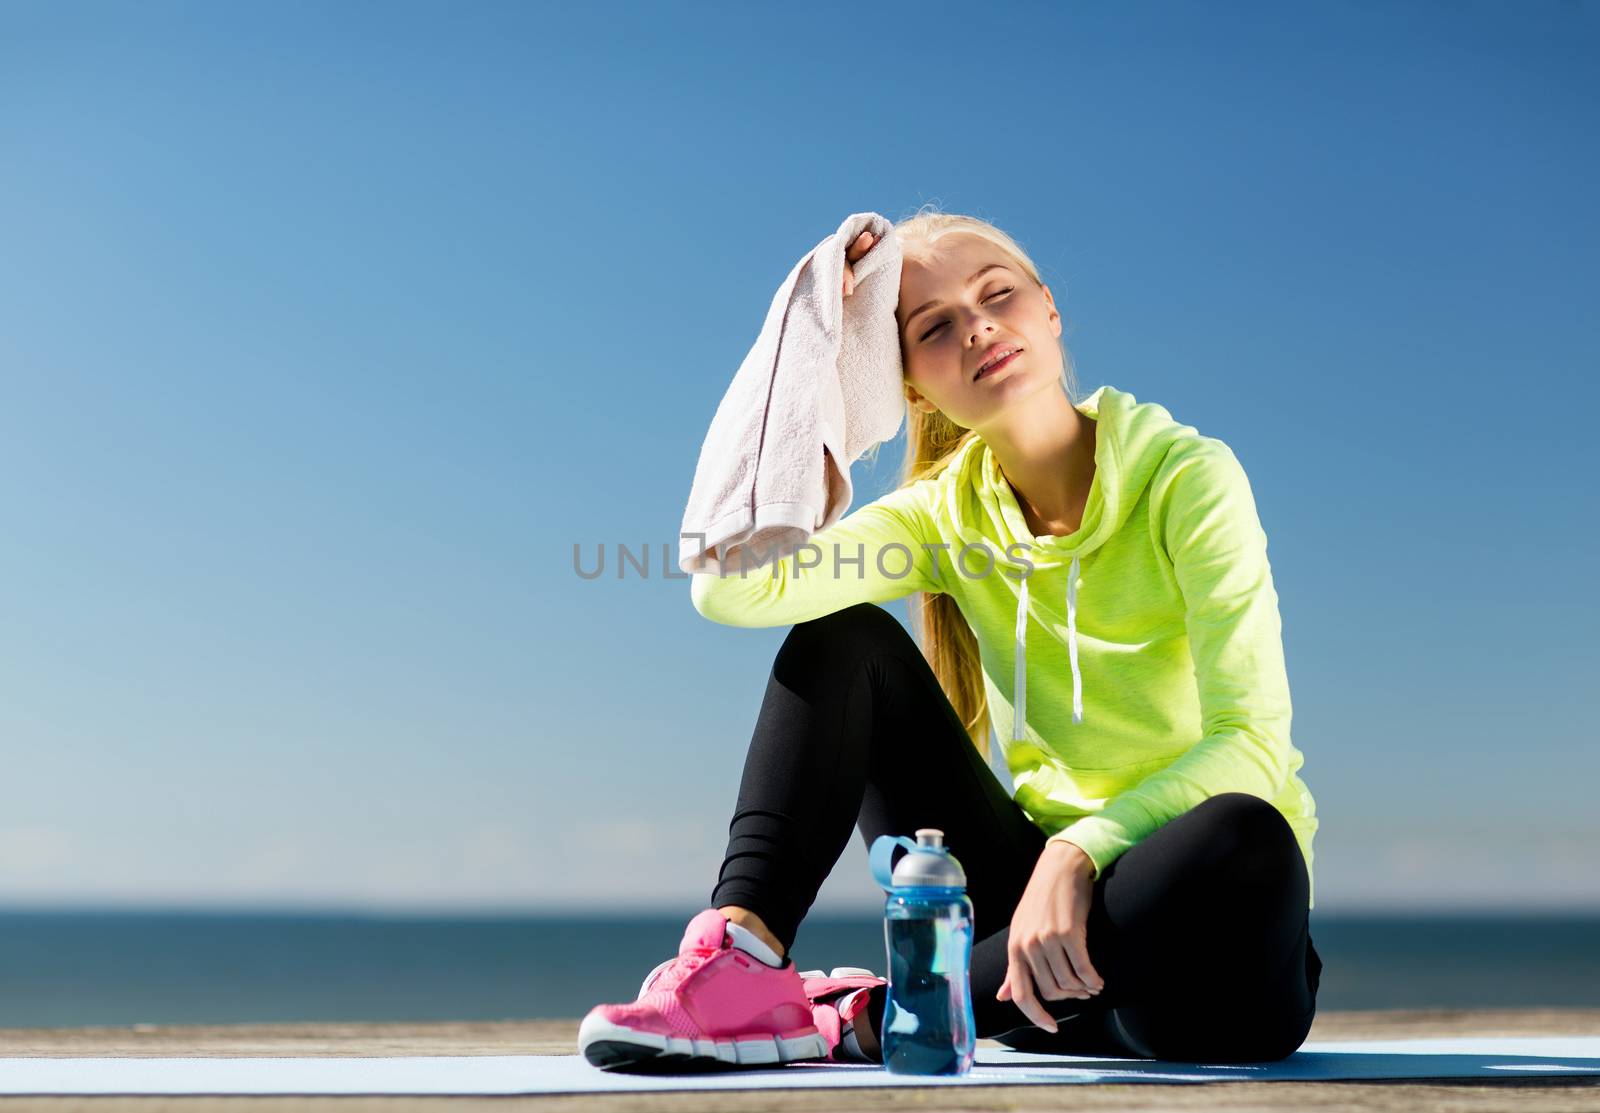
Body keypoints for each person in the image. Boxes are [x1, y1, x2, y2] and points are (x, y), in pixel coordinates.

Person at [578, 209, 1322, 1073]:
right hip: (1028, 939)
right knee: (845, 637)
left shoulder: (1188, 479)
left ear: (1047, 310)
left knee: (1243, 833)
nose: (976, 324)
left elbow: (1253, 743)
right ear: (913, 388)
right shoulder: (943, 517)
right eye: (933, 326)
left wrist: (1081, 853)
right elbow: (731, 585)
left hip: (1191, 963)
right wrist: (808, 336)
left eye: (997, 294)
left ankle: (872, 1016)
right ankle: (742, 967)